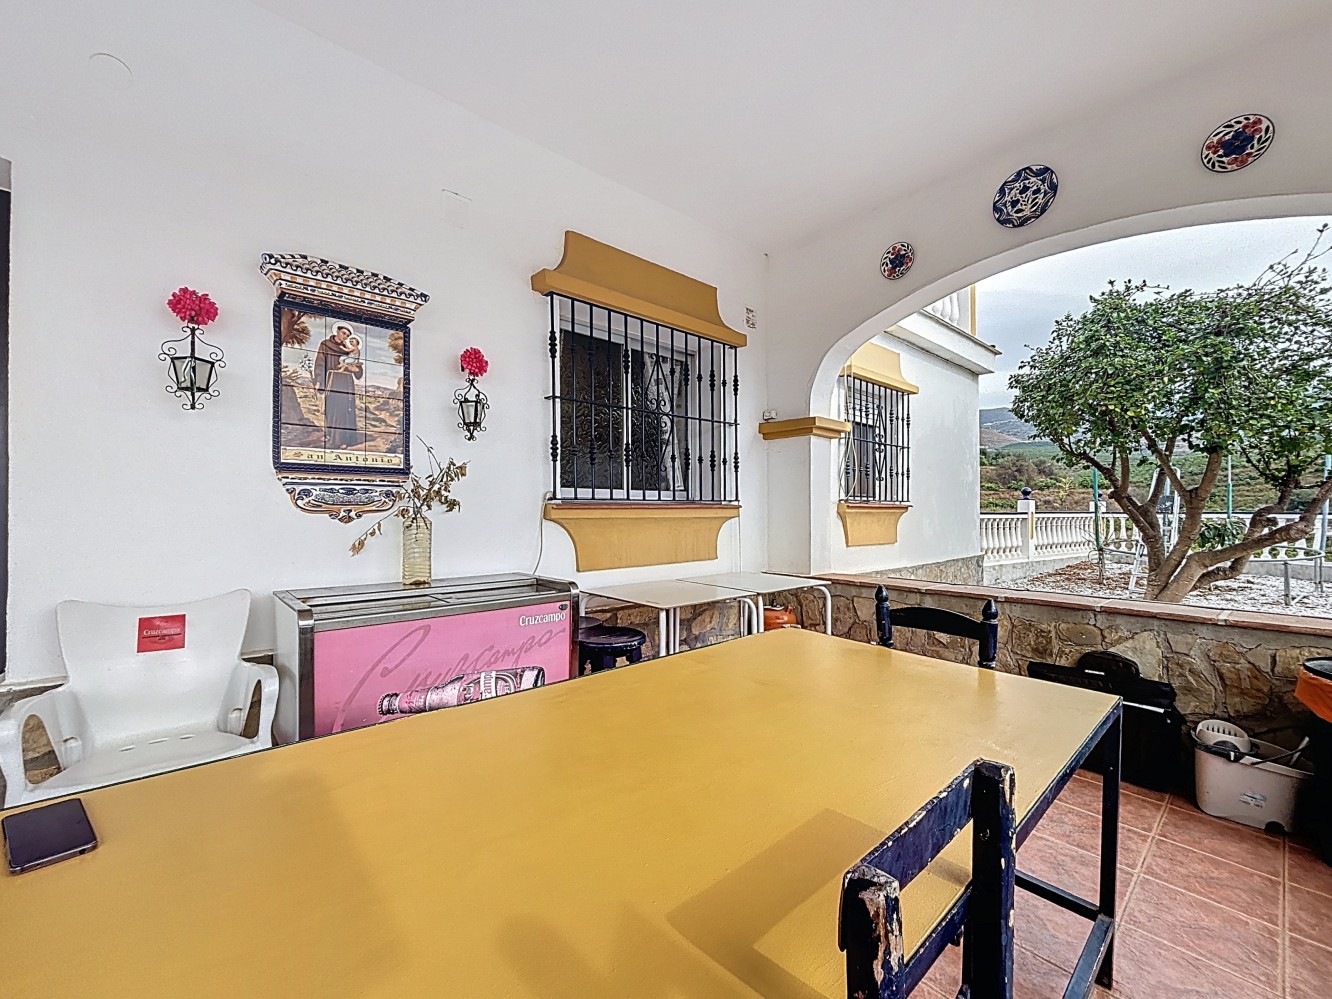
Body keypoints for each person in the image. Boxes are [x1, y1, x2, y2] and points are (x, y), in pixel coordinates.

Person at [315, 324, 363, 450]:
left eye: (347, 335)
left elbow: (356, 365)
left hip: (346, 382)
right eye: (343, 333)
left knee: (344, 411)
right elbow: (320, 363)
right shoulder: (325, 345)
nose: (345, 336)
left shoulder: (349, 349)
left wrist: (356, 369)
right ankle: (330, 435)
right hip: (332, 380)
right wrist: (319, 380)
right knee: (331, 409)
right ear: (337, 331)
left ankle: (342, 439)